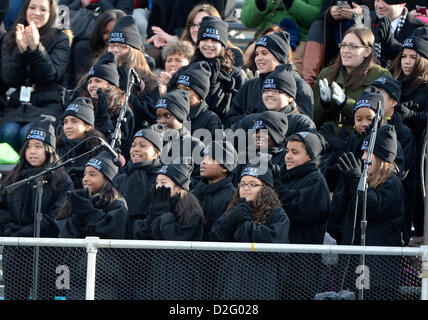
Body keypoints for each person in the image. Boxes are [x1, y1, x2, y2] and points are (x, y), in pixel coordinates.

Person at [328, 124, 405, 299]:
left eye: (367, 153)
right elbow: (336, 218)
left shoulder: (393, 183)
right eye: (362, 153)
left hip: (378, 275)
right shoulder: (359, 181)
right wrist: (346, 183)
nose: (362, 158)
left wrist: (355, 179)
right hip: (352, 269)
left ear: (382, 157)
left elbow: (373, 207)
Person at [0, 116, 73, 300]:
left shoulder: (62, 180)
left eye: (38, 146)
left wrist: (27, 232)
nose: (32, 151)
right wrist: (10, 229)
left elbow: (58, 215)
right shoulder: (12, 177)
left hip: (46, 253)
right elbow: (2, 208)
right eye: (29, 146)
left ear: (49, 149)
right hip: (15, 251)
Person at [209, 164, 290, 299]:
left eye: (253, 184)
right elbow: (215, 237)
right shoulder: (233, 210)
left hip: (261, 284)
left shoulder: (277, 213)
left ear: (265, 188)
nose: (246, 188)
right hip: (230, 283)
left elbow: (275, 242)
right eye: (243, 184)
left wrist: (244, 224)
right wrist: (231, 221)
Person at [0, 0, 72, 151]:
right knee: (8, 132)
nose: (36, 13)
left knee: (28, 134)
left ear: (51, 13)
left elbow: (50, 76)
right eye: (32, 8)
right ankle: (10, 175)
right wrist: (20, 52)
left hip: (47, 106)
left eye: (43, 9)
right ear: (25, 10)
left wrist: (36, 49)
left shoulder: (61, 39)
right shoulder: (11, 37)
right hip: (18, 106)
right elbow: (9, 79)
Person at [55, 150, 127, 300]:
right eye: (85, 174)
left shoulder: (118, 204)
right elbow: (64, 233)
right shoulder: (75, 200)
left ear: (107, 179)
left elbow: (109, 232)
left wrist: (87, 212)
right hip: (75, 276)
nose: (85, 179)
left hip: (106, 278)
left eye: (92, 174)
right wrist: (78, 214)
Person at [132, 162, 206, 299]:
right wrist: (155, 211)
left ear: (178, 186)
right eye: (157, 182)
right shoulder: (158, 204)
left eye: (164, 182)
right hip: (158, 274)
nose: (159, 186)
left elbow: (173, 238)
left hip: (182, 276)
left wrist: (161, 211)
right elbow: (143, 233)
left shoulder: (191, 209)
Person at [224, 31, 314, 127]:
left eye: (264, 53)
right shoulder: (249, 85)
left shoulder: (299, 85)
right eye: (257, 54)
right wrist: (252, 120)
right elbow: (229, 123)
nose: (258, 58)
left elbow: (305, 128)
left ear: (279, 56)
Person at [313, 26, 391, 136]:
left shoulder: (380, 76)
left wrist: (346, 103)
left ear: (367, 51)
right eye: (343, 45)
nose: (345, 51)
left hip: (360, 141)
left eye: (353, 46)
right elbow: (314, 120)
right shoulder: (326, 74)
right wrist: (323, 104)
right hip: (327, 140)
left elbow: (380, 120)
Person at [389, 26, 428, 239]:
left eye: (413, 57)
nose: (406, 61)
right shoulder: (396, 84)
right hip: (399, 154)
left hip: (421, 160)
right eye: (404, 56)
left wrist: (412, 116)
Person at [169, 15, 245, 121]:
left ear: (222, 44)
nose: (209, 45)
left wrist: (214, 85)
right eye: (205, 40)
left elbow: (236, 109)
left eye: (214, 41)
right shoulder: (186, 71)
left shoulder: (234, 74)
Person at [371, 75, 416, 244]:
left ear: (394, 101)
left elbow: (401, 171)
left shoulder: (404, 133)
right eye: (372, 91)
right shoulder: (365, 128)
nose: (374, 96)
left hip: (391, 202)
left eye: (380, 93)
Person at [73, 51, 135, 159]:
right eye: (90, 81)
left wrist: (103, 119)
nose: (92, 85)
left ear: (111, 85)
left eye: (97, 81)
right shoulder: (84, 105)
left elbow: (118, 147)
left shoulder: (123, 111)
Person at [276, 131, 330, 244]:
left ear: (310, 155)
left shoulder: (316, 181)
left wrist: (278, 189)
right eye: (287, 151)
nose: (288, 156)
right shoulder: (284, 176)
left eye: (295, 152)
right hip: (283, 253)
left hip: (304, 255)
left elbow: (299, 211)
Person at [240, 0, 324, 73]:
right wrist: (260, 3)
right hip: (266, 36)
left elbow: (316, 16)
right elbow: (247, 21)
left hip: (297, 38)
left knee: (293, 62)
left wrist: (290, 3)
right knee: (248, 58)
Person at [107, 15, 160, 130]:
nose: (115, 49)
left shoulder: (149, 80)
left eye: (122, 46)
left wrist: (127, 92)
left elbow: (151, 116)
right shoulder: (100, 71)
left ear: (134, 50)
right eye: (112, 45)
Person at [113, 128, 163, 239]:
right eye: (133, 145)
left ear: (156, 153)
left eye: (143, 145)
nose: (136, 149)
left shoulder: (160, 179)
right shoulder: (120, 178)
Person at [56, 97, 107, 189]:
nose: (68, 126)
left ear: (88, 126)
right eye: (65, 122)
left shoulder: (99, 149)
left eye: (74, 121)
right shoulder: (59, 146)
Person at [191, 140, 238, 240]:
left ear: (225, 167)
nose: (203, 161)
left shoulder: (233, 197)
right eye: (203, 157)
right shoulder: (194, 193)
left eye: (211, 158)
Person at [69, 9, 126, 88]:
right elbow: (80, 84)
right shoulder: (84, 49)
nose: (109, 37)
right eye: (105, 32)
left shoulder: (131, 57)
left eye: (113, 33)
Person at [179, 3, 244, 68]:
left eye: (202, 25)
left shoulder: (234, 55)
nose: (196, 29)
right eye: (193, 25)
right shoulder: (179, 53)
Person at [175, 61, 222, 138]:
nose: (180, 93)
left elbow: (215, 148)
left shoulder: (211, 120)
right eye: (179, 88)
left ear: (200, 93)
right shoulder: (172, 113)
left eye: (186, 89)